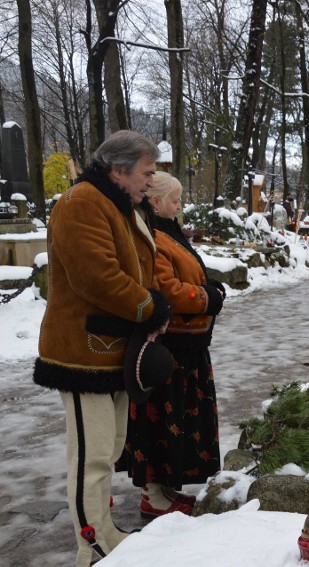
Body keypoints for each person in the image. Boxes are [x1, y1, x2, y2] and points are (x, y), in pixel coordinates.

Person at [32, 130, 171, 567]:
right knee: (91, 455)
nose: (152, 181)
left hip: (109, 347)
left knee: (108, 449)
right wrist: (149, 307)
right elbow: (97, 277)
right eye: (147, 173)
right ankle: (90, 543)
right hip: (81, 351)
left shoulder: (116, 202)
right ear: (119, 168)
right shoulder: (82, 203)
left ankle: (103, 530)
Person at [119, 172, 225, 518]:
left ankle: (163, 487)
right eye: (175, 200)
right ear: (155, 201)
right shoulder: (151, 237)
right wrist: (208, 297)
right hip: (169, 347)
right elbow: (167, 288)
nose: (179, 206)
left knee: (175, 419)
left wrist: (210, 288)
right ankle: (152, 492)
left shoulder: (166, 232)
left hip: (187, 345)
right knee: (159, 421)